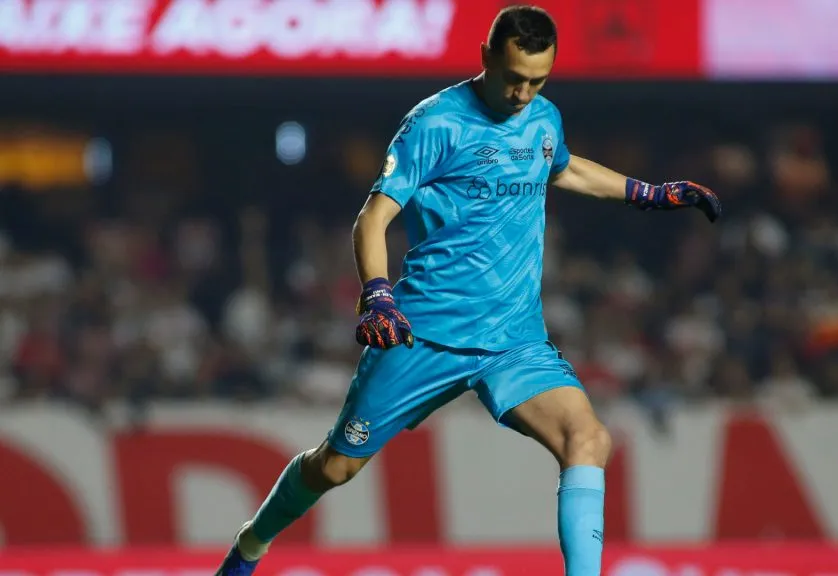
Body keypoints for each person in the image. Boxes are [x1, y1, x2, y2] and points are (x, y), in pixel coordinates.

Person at [215, 5, 720, 575]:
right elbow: (373, 218)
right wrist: (378, 292)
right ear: (485, 57)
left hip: (513, 340)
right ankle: (252, 543)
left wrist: (648, 193)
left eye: (537, 81)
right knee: (336, 466)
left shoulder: (543, 117)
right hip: (425, 334)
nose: (523, 93)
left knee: (588, 438)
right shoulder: (435, 123)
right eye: (514, 78)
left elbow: (563, 168)